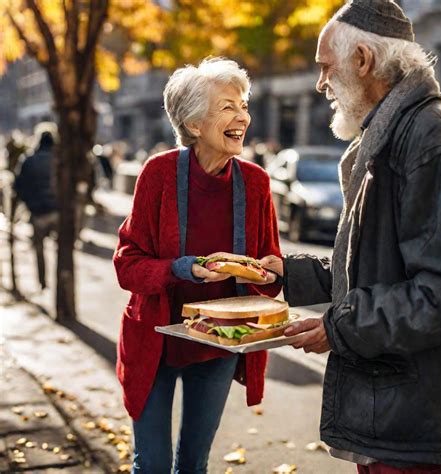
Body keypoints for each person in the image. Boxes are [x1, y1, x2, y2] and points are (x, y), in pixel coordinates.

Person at [257, 1, 441, 473]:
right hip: (393, 410)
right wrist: (285, 274)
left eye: (325, 67)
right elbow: (373, 267)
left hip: (412, 417)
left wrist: (340, 328)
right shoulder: (392, 133)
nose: (320, 83)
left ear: (362, 59)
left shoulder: (429, 133)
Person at [113, 57, 281, 473]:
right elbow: (127, 264)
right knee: (150, 464)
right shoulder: (158, 173)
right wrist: (180, 268)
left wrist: (266, 272)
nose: (242, 116)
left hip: (217, 346)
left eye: (243, 105)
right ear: (193, 124)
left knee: (192, 465)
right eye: (227, 107)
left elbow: (271, 277)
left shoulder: (256, 182)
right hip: (156, 338)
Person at [14, 125, 59, 290]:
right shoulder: (59, 161)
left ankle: (43, 282)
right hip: (57, 210)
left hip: (37, 211)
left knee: (39, 249)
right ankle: (60, 283)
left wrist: (29, 203)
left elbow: (18, 186)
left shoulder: (29, 160)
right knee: (61, 250)